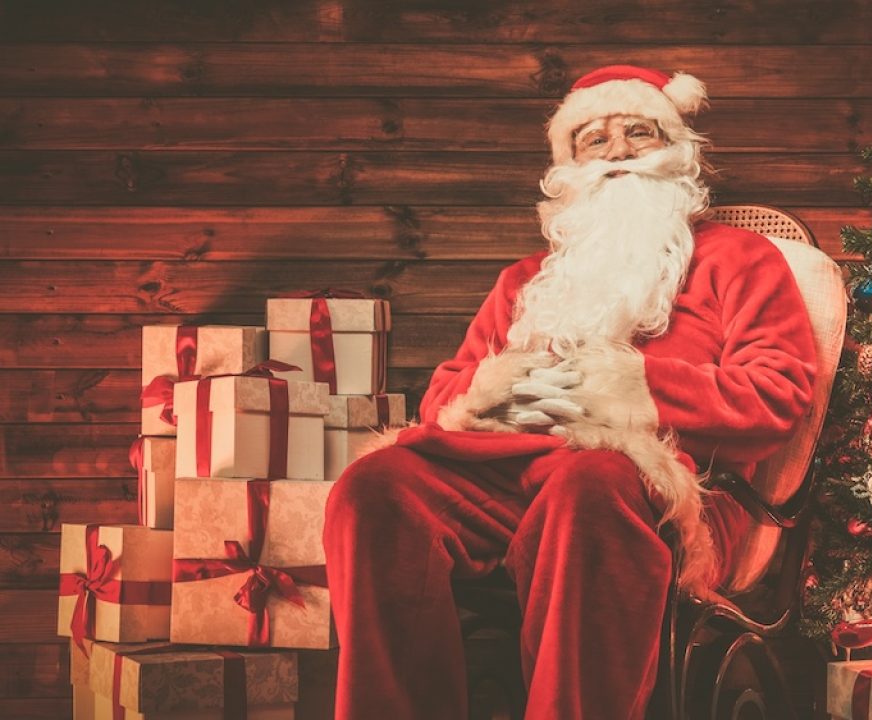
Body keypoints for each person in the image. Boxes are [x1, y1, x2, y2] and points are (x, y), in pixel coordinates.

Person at [323, 64, 818, 720]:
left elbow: (776, 395)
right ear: (568, 166)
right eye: (594, 140)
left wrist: (633, 389)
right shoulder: (528, 279)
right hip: (512, 475)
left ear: (674, 151)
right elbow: (447, 389)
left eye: (637, 133)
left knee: (591, 484)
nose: (616, 152)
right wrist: (498, 394)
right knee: (374, 489)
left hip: (675, 495)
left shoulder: (742, 261)